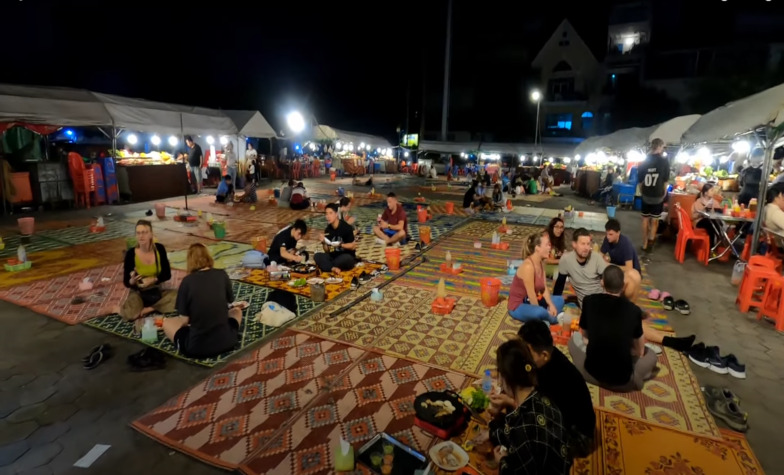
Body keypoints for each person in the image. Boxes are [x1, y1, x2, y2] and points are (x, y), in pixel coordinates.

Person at [554, 229, 695, 351]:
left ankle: (632, 312)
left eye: (588, 244)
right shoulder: (566, 261)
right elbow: (559, 284)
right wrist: (555, 304)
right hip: (592, 305)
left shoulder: (595, 257)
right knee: (628, 321)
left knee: (632, 277)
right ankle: (668, 341)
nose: (586, 247)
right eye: (582, 244)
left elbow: (610, 278)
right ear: (574, 245)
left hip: (605, 296)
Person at [488, 339, 573, 474]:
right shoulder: (544, 398)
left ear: (505, 379)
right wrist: (497, 420)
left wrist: (502, 462)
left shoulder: (522, 429)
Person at [568, 266, 659, 392]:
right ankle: (635, 378)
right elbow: (640, 351)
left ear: (602, 282)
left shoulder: (589, 301)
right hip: (622, 382)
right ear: (623, 286)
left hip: (590, 373)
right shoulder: (634, 311)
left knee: (573, 340)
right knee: (652, 356)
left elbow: (584, 338)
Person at [518, 321, 596, 456]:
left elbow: (543, 414)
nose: (523, 356)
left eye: (526, 351)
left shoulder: (556, 376)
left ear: (544, 355)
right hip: (562, 418)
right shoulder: (546, 358)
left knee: (526, 435)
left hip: (578, 437)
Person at [163, 244, 243, 358]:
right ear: (208, 257)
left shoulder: (187, 282)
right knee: (237, 311)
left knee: (167, 323)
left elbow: (184, 321)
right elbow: (230, 302)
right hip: (228, 341)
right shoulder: (222, 274)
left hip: (197, 348)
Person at [120, 220, 176, 321]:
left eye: (144, 232)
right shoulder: (130, 254)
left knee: (179, 297)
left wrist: (153, 279)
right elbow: (126, 282)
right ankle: (116, 309)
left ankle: (151, 308)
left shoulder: (159, 249)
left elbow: (167, 274)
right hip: (139, 292)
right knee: (130, 314)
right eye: (138, 233)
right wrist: (132, 281)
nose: (141, 236)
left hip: (156, 290)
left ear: (151, 234)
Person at [507, 231, 565, 324]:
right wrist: (543, 310)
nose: (550, 248)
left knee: (559, 300)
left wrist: (551, 305)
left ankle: (548, 316)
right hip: (518, 306)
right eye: (547, 245)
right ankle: (554, 319)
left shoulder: (542, 263)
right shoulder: (528, 266)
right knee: (540, 312)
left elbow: (544, 288)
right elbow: (532, 295)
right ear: (537, 248)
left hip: (533, 301)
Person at [638, 138, 669, 252]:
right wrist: (663, 193)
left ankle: (644, 243)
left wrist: (643, 192)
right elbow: (665, 180)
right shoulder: (664, 161)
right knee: (655, 220)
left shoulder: (644, 161)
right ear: (660, 147)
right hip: (658, 195)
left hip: (646, 194)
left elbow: (640, 181)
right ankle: (651, 240)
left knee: (645, 219)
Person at [315, 203, 358, 274]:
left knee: (346, 259)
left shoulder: (346, 228)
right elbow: (327, 251)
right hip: (334, 256)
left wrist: (341, 245)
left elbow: (353, 246)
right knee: (317, 256)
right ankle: (333, 268)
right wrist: (323, 242)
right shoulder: (328, 230)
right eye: (326, 214)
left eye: (330, 213)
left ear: (336, 214)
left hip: (346, 256)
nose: (328, 216)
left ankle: (328, 266)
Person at [691, 183, 721, 248]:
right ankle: (715, 243)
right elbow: (693, 217)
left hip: (712, 222)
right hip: (700, 222)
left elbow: (719, 213)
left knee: (714, 224)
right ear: (705, 193)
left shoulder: (715, 202)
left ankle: (715, 245)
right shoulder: (698, 202)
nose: (713, 192)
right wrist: (703, 211)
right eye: (711, 190)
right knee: (709, 222)